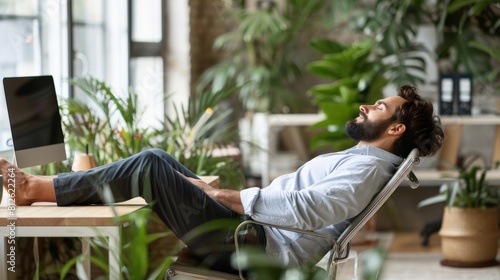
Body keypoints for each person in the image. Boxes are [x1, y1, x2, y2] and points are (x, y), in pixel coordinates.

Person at [1, 85, 443, 273]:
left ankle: (36, 189)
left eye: (378, 108)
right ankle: (72, 186)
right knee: (156, 158)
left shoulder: (366, 168)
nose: (366, 107)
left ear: (395, 130)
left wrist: (219, 194)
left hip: (255, 248)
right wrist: (217, 195)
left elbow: (307, 210)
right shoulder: (365, 159)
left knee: (151, 168)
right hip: (257, 236)